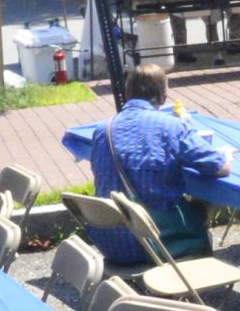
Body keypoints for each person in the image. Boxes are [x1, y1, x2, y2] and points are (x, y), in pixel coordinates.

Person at [88, 59, 230, 264]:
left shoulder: (103, 130)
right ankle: (193, 269)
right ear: (164, 96)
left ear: (127, 93)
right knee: (204, 203)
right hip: (150, 243)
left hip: (108, 242)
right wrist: (226, 154)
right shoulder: (173, 127)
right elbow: (220, 167)